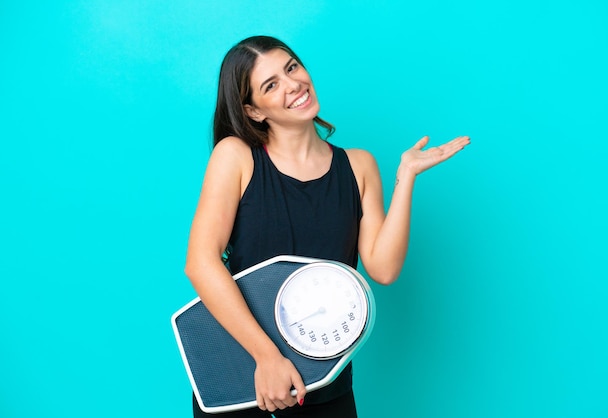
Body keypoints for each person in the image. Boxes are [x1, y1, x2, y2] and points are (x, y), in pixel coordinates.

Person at [184, 35, 470, 418]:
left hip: (324, 380)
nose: (294, 85)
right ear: (253, 111)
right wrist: (267, 358)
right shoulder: (235, 157)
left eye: (292, 68)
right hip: (245, 377)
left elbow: (382, 269)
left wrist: (406, 177)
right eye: (271, 85)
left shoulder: (358, 165)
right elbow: (201, 263)